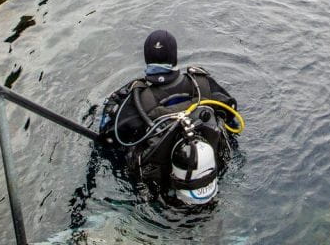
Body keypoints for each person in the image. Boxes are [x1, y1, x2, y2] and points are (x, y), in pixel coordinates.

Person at [98, 29, 242, 205]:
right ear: (174, 57)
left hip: (160, 193)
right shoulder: (202, 85)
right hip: (211, 174)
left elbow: (109, 136)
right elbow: (231, 111)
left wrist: (113, 105)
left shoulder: (138, 100)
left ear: (147, 58)